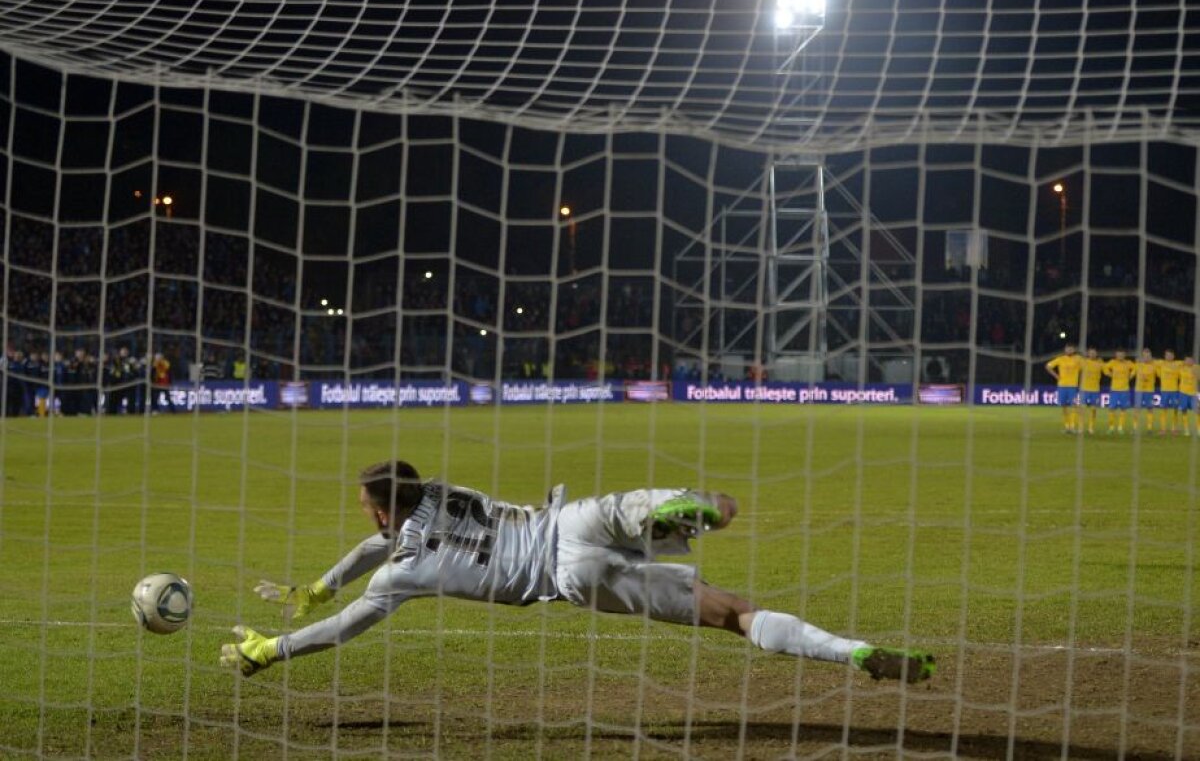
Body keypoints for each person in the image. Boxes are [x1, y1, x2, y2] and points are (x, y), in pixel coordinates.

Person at [220, 462, 936, 684]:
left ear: (382, 512)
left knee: (732, 613)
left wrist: (274, 647)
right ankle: (688, 509)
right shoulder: (434, 489)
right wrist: (326, 575)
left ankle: (856, 655)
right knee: (649, 504)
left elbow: (346, 621)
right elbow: (379, 535)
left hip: (569, 578)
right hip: (568, 521)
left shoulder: (402, 570)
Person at [1045, 343, 1082, 433]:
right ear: (1065, 350)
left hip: (1072, 386)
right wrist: (1056, 376)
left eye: (1071, 349)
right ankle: (1067, 427)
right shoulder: (1060, 359)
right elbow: (1048, 366)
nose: (1069, 350)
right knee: (1064, 406)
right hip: (1062, 385)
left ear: (1074, 350)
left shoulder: (1078, 359)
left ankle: (1073, 426)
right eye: (1067, 349)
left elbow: (1085, 368)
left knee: (1073, 405)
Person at [1101, 349, 1135, 434]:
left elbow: (1135, 368)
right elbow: (1104, 368)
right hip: (1114, 389)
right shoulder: (1113, 362)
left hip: (1125, 390)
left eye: (1122, 354)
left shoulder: (1128, 363)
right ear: (1116, 355)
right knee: (1112, 408)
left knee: (1123, 409)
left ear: (1125, 355)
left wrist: (1131, 376)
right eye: (1118, 354)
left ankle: (1120, 427)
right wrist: (1109, 374)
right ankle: (1111, 427)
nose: (1120, 356)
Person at [1078, 347, 1105, 435]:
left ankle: (1091, 428)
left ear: (1096, 354)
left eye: (1094, 353)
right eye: (1091, 353)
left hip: (1095, 390)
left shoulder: (1100, 363)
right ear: (1088, 354)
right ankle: (1081, 428)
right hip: (1084, 389)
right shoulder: (1083, 362)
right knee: (1082, 409)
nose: (1092, 354)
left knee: (1093, 410)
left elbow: (1106, 371)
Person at [1155, 350, 1182, 435]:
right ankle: (1163, 429)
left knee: (1175, 410)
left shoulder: (1178, 364)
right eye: (1167, 355)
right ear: (1165, 356)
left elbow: (1189, 363)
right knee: (1163, 410)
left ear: (1173, 356)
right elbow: (1151, 362)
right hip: (1164, 391)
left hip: (1174, 390)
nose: (1169, 356)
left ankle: (1174, 429)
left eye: (1170, 355)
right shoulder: (1161, 363)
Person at [1133, 348, 1158, 433]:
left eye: (1148, 356)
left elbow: (1160, 374)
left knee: (1150, 408)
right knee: (1137, 409)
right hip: (1139, 390)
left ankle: (1149, 428)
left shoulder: (1154, 365)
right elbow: (1132, 374)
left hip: (1149, 390)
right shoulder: (1137, 365)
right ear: (1142, 356)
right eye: (1144, 356)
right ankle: (1135, 428)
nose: (1146, 357)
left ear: (1151, 357)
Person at [1178, 356, 1197, 437]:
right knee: (1184, 410)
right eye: (1187, 360)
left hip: (1193, 394)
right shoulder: (1181, 368)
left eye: (1190, 360)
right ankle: (1186, 429)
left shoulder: (1197, 368)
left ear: (1193, 361)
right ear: (1184, 361)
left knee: (1197, 410)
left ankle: (1199, 429)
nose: (1189, 362)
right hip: (1183, 393)